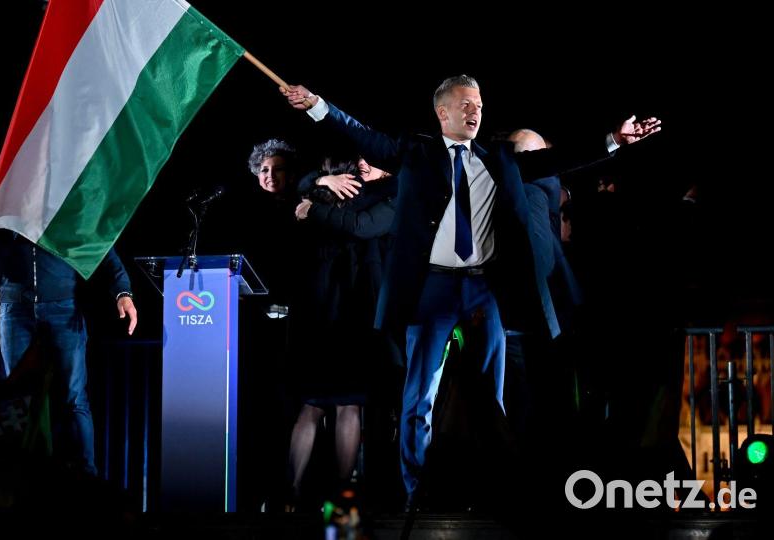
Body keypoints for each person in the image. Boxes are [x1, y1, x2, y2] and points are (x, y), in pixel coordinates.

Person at [282, 75, 661, 507]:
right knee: (420, 396)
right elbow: (364, 136)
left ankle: (486, 489)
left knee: (489, 394)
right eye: (465, 104)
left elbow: (559, 159)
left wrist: (614, 139)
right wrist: (318, 106)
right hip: (434, 286)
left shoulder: (499, 159)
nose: (475, 111)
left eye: (479, 104)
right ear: (442, 112)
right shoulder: (416, 153)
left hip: (483, 288)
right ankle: (416, 491)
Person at [0, 149, 138, 477]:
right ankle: (23, 482)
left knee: (72, 398)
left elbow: (100, 245)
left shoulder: (69, 196)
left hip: (63, 307)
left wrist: (122, 291)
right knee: (17, 402)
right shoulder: (0, 197)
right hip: (15, 310)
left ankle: (86, 481)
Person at [286, 153, 397, 508]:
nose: (364, 166)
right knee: (340, 404)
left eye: (372, 162)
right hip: (343, 310)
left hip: (337, 310)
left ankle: (305, 492)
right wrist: (319, 182)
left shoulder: (387, 194)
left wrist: (316, 190)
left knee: (321, 404)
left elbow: (360, 226)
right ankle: (329, 493)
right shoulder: (346, 194)